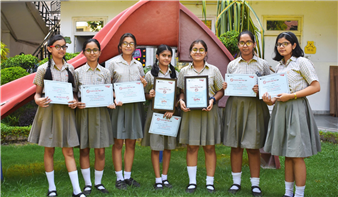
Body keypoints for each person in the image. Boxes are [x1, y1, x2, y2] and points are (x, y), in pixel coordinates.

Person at [262, 32, 321, 197]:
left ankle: (299, 194)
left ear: (294, 45)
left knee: (297, 155)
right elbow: (277, 94)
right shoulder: (280, 66)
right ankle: (288, 193)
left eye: (285, 43)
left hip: (296, 108)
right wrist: (269, 100)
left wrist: (292, 95)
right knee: (287, 154)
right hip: (281, 109)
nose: (281, 46)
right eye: (279, 44)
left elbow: (316, 86)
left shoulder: (302, 62)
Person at [28, 35, 85, 197]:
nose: (62, 49)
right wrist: (38, 101)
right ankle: (52, 188)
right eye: (58, 46)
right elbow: (37, 94)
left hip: (66, 113)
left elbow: (73, 94)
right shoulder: (42, 70)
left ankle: (77, 190)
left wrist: (74, 102)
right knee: (49, 150)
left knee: (68, 151)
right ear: (49, 48)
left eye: (64, 46)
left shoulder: (71, 69)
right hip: (48, 112)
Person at [222, 30, 271, 197]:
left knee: (253, 146)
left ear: (254, 44)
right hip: (235, 107)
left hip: (255, 108)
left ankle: (255, 185)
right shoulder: (232, 65)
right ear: (238, 45)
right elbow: (228, 83)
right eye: (242, 42)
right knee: (235, 146)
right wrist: (226, 86)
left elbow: (270, 87)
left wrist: (262, 89)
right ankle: (236, 183)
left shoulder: (262, 65)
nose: (245, 45)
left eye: (248, 42)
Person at [178, 40, 224, 193]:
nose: (198, 52)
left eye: (201, 49)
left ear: (206, 52)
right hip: (191, 114)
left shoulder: (214, 70)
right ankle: (192, 182)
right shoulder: (184, 71)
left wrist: (212, 100)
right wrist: (181, 100)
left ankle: (209, 182)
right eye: (195, 49)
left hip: (208, 112)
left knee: (209, 147)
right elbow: (181, 91)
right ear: (190, 52)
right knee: (191, 147)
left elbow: (220, 90)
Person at [106, 33, 147, 190]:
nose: (128, 46)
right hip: (119, 106)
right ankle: (119, 178)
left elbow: (141, 84)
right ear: (120, 46)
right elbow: (107, 85)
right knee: (118, 142)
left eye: (131, 43)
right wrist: (116, 96)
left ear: (135, 47)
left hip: (134, 107)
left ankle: (128, 176)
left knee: (131, 142)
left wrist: (143, 84)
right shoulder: (113, 64)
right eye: (125, 43)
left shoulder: (138, 65)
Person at [75, 38, 115, 195]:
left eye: (95, 50)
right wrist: (76, 102)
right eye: (88, 50)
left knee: (100, 150)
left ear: (100, 52)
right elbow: (74, 93)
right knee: (84, 149)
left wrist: (112, 100)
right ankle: (87, 184)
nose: (92, 53)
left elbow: (108, 92)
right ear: (84, 52)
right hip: (84, 114)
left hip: (101, 114)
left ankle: (98, 183)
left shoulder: (105, 72)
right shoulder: (77, 72)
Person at [141, 44, 179, 190]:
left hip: (170, 114)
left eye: (169, 56)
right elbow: (144, 94)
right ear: (157, 57)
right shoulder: (151, 75)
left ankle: (165, 178)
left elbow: (179, 94)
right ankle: (157, 179)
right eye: (163, 55)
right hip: (155, 114)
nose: (166, 58)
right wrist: (149, 95)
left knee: (168, 147)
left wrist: (174, 108)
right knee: (156, 147)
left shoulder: (175, 74)